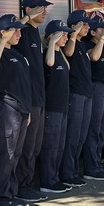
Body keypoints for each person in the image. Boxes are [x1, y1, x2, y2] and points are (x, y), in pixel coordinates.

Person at [0, 14, 32, 206]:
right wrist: (3, 39)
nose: (19, 34)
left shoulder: (18, 55)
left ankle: (10, 193)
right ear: (3, 32)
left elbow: (24, 85)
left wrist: (27, 111)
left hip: (20, 110)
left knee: (15, 154)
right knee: (5, 152)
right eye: (15, 30)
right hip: (3, 108)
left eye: (20, 30)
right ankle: (0, 197)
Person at [14, 0, 51, 203]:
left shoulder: (36, 32)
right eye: (39, 7)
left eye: (45, 7)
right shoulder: (23, 31)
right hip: (29, 99)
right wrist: (26, 19)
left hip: (40, 96)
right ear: (28, 10)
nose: (44, 11)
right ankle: (21, 186)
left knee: (35, 146)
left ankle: (27, 183)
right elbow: (11, 32)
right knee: (26, 147)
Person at [39, 20, 73, 194]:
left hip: (63, 106)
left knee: (60, 144)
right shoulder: (48, 54)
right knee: (51, 145)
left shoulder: (61, 54)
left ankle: (55, 178)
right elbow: (50, 64)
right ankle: (47, 180)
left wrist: (59, 45)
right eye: (63, 34)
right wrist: (52, 42)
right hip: (52, 106)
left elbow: (67, 67)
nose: (66, 37)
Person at [61, 10, 92, 188]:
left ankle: (73, 170)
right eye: (84, 24)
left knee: (81, 135)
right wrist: (72, 35)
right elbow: (69, 53)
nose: (87, 27)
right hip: (76, 94)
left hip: (86, 93)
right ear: (74, 26)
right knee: (72, 135)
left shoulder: (83, 44)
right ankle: (67, 172)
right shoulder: (72, 43)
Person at [82, 16, 104, 181]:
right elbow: (93, 57)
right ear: (93, 32)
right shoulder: (90, 45)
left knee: (102, 129)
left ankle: (97, 163)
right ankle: (91, 167)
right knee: (94, 128)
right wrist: (101, 40)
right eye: (101, 29)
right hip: (96, 88)